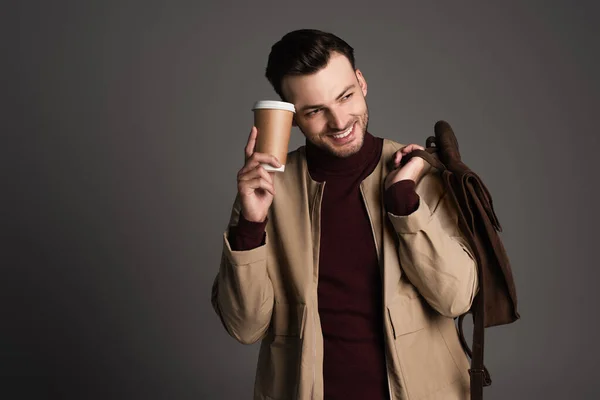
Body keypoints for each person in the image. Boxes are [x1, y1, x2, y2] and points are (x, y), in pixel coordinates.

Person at [211, 29, 478, 400]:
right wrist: (251, 225)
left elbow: (456, 298)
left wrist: (404, 202)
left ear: (362, 82)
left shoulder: (419, 173)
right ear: (292, 118)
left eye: (346, 96)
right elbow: (244, 326)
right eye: (315, 110)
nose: (339, 122)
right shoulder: (266, 191)